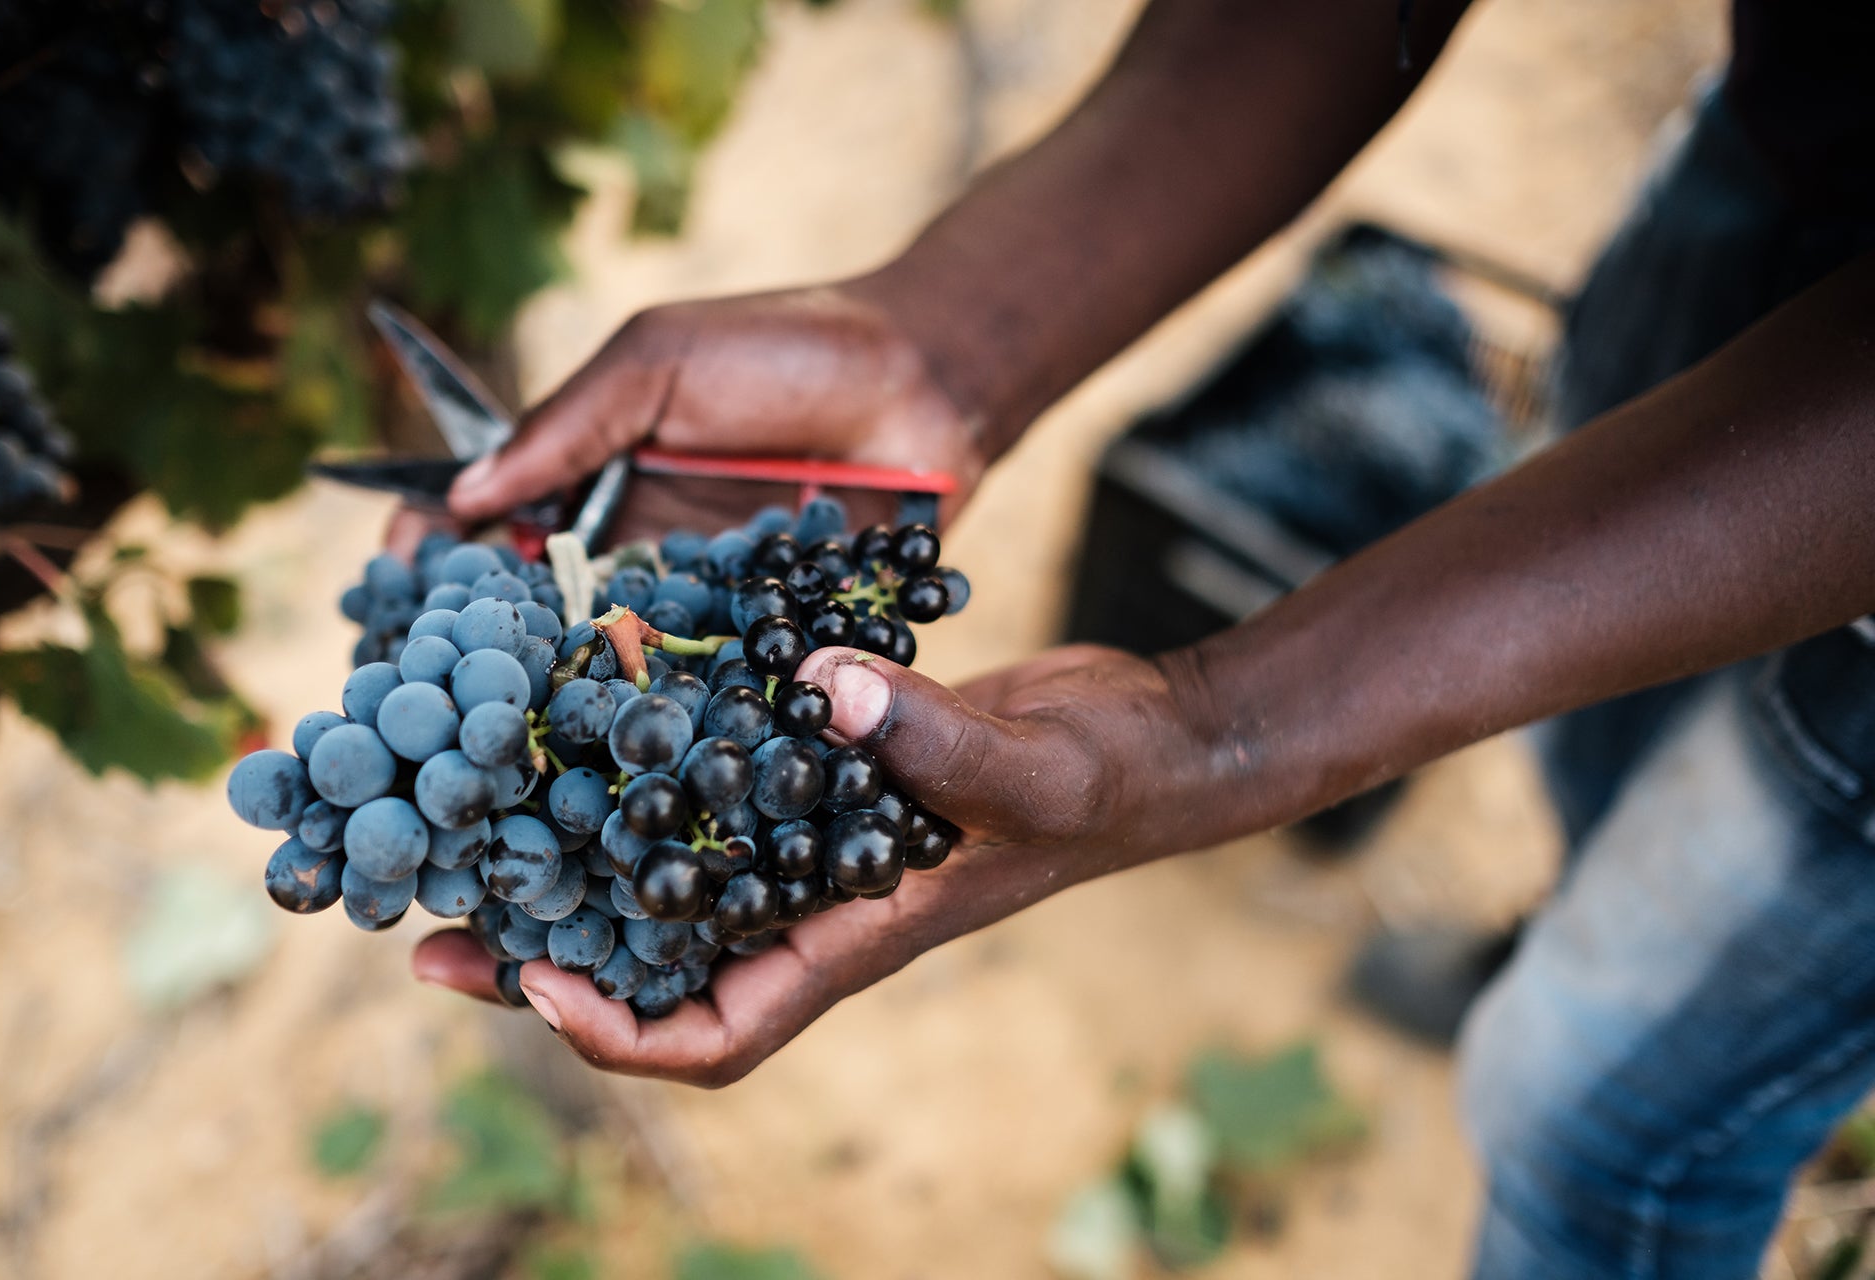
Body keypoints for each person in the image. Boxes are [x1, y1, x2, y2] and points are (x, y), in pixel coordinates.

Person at [409, 1, 1875, 1273]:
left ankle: (1583, 961)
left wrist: (1224, 724)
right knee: (1617, 622)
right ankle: (1575, 890)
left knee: (1595, 1117)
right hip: (1791, 140)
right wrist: (951, 345)